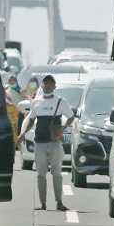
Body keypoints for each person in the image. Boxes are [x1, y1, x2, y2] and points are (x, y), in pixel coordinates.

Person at [17, 74, 75, 211]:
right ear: (42, 86)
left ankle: (59, 202)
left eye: (51, 83)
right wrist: (22, 134)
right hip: (40, 142)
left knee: (56, 173)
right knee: (40, 174)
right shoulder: (36, 102)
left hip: (54, 142)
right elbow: (31, 120)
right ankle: (43, 203)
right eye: (45, 83)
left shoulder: (60, 101)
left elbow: (71, 117)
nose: (48, 85)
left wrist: (63, 129)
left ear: (55, 86)